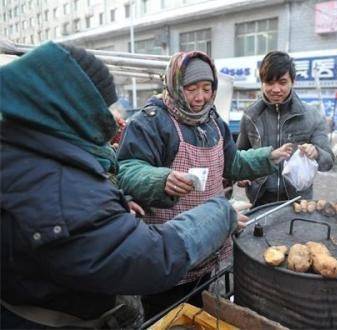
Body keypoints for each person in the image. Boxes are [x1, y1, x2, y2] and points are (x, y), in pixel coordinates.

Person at [0, 42, 238, 329]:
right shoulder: (58, 181)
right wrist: (220, 213)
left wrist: (115, 204)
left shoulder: (24, 148)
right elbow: (148, 257)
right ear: (73, 106)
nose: (111, 117)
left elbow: (76, 219)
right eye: (101, 105)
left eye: (207, 88)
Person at [117, 51, 292, 318]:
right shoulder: (151, 122)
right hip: (169, 252)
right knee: (169, 317)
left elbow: (231, 164)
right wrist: (160, 179)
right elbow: (127, 169)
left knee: (202, 313)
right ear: (175, 85)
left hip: (208, 245)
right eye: (191, 89)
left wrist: (267, 157)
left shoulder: (212, 122)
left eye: (207, 89)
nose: (200, 98)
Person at [236, 51, 335, 206]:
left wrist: (316, 152)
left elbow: (329, 162)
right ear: (262, 82)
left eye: (282, 82)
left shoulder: (311, 115)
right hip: (259, 200)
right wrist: (242, 176)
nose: (276, 89)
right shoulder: (251, 116)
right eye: (269, 83)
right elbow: (239, 157)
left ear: (292, 81)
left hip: (298, 201)